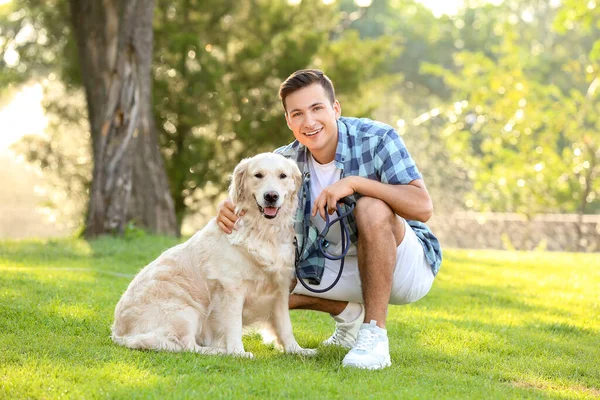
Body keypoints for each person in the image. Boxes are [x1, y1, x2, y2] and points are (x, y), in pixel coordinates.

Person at [217, 69, 442, 370]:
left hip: (404, 267)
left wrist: (355, 184)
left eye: (317, 108)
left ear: (335, 109)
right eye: (297, 113)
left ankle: (374, 335)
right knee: (262, 286)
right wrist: (227, 205)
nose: (308, 122)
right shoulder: (284, 164)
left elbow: (423, 207)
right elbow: (250, 199)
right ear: (288, 121)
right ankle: (349, 314)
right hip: (335, 266)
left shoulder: (377, 138)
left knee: (371, 207)